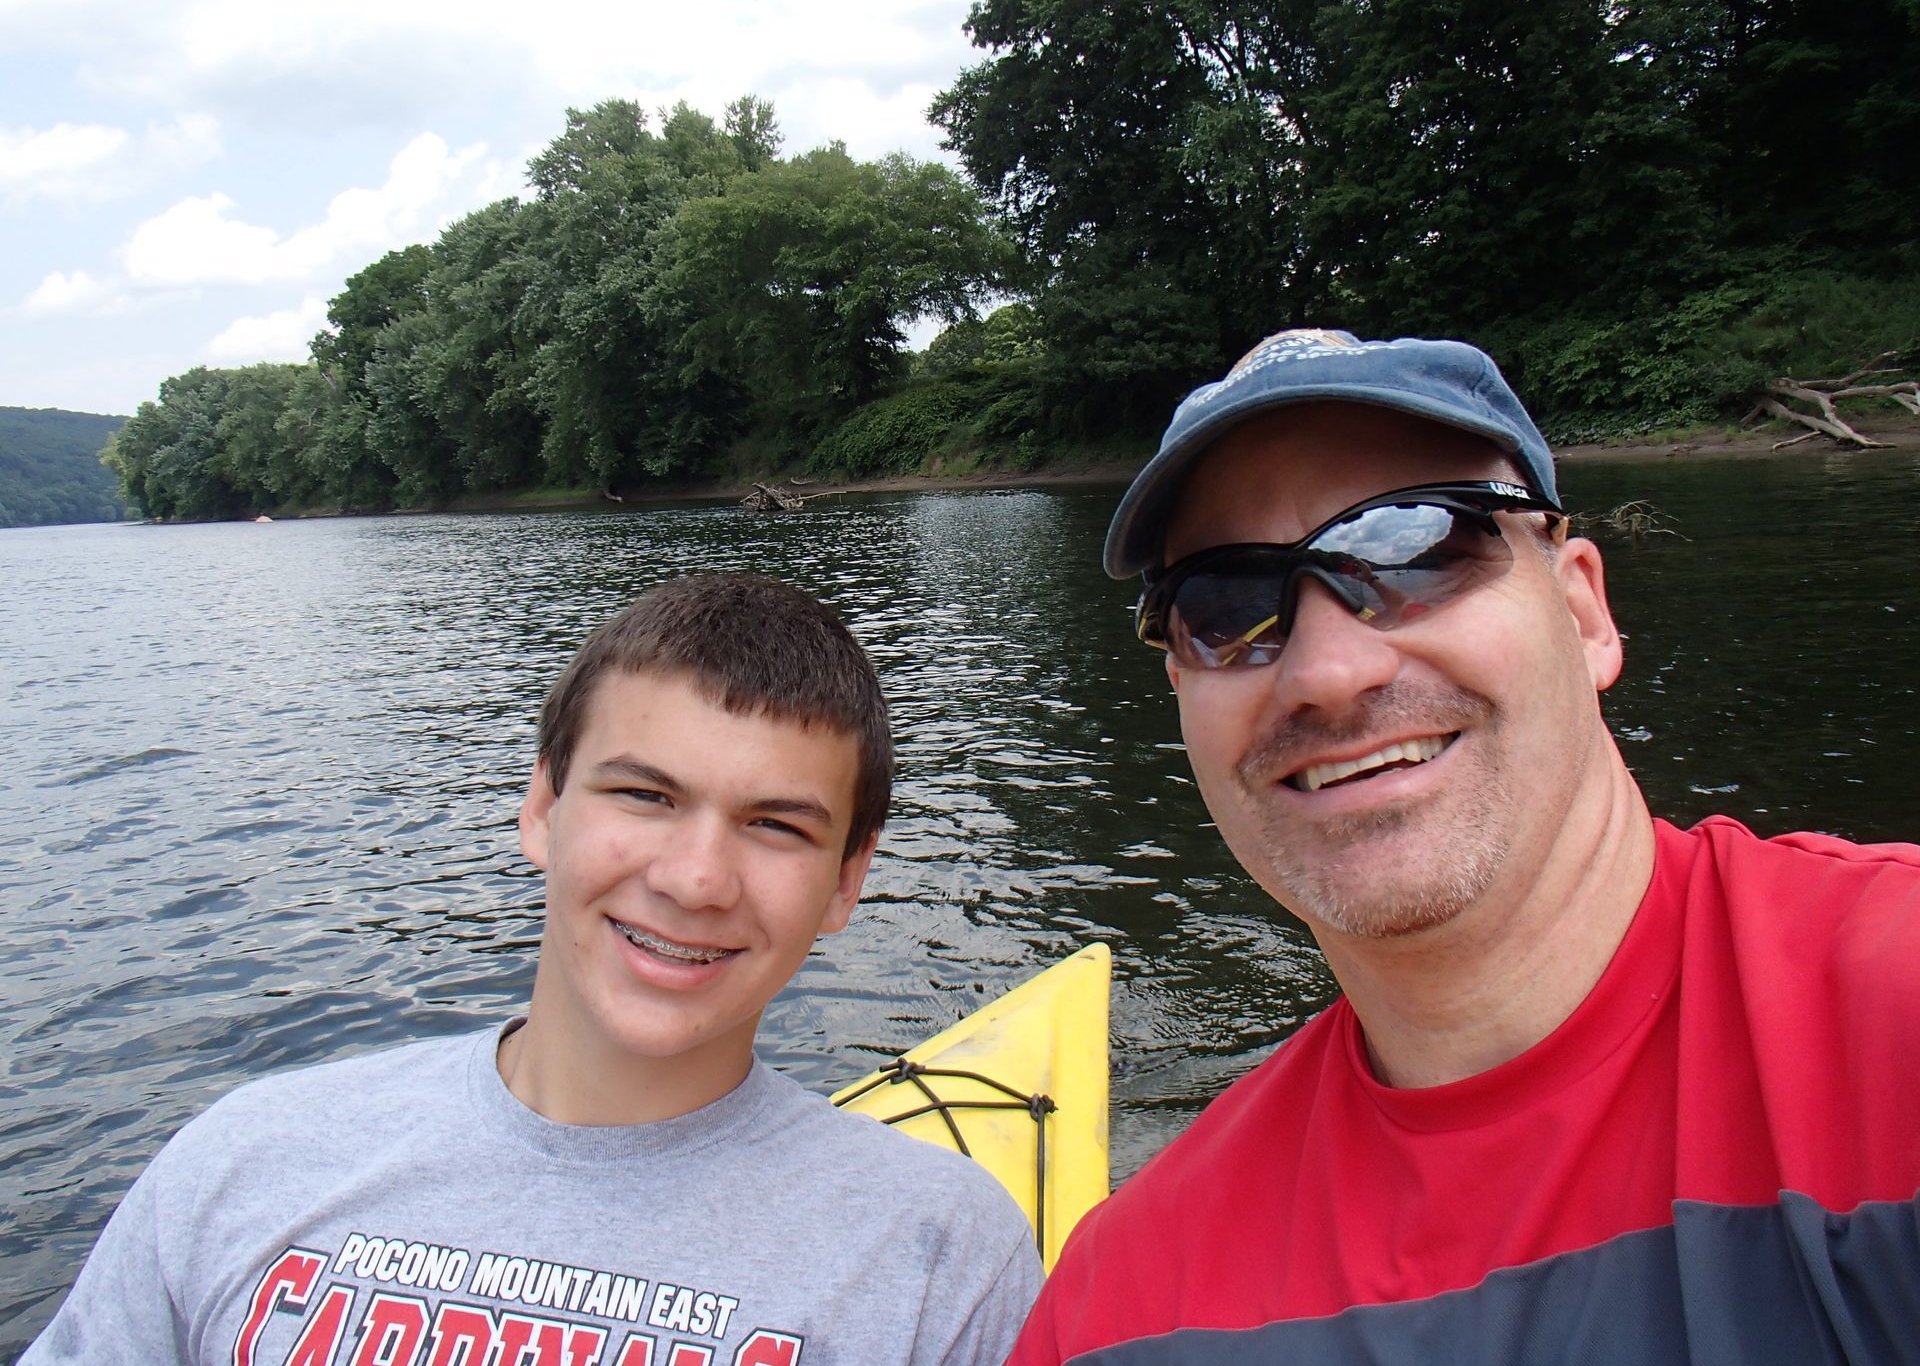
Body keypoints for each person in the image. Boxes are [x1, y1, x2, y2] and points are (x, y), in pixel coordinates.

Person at [1011, 330, 1920, 1363]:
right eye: (1228, 603)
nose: (1327, 669)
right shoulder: (1121, 1312)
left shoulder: (1894, 1020)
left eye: (1415, 544)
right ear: (1185, 690)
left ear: (1583, 612)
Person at [29, 573, 1041, 1366]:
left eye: (776, 826)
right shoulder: (243, 1162)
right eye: (644, 795)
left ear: (843, 883)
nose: (695, 879)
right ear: (544, 810)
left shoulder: (940, 1260)